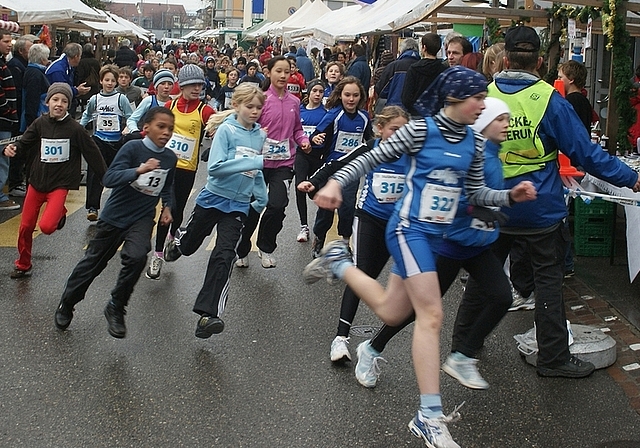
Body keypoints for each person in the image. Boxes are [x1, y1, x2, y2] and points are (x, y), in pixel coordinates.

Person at [303, 66, 537, 448]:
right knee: (431, 314)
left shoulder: (474, 145)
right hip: (408, 229)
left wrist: (510, 196)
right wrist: (334, 183)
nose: (483, 104)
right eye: (477, 98)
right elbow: (369, 159)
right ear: (455, 99)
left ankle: (338, 262)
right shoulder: (420, 130)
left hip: (435, 235)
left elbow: (476, 196)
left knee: (392, 312)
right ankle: (428, 416)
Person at [476, 25, 640, 378]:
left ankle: (465, 346)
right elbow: (585, 154)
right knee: (547, 278)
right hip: (539, 206)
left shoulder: (484, 95)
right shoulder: (549, 98)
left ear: (504, 59)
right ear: (538, 62)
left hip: (491, 205)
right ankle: (553, 357)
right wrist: (630, 177)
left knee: (483, 274)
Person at [351, 98, 512, 390]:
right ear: (484, 122)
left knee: (502, 296)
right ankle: (371, 348)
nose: (506, 125)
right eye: (500, 119)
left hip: (475, 245)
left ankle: (462, 355)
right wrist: (481, 209)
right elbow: (454, 196)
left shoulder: (491, 153)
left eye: (507, 119)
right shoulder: (470, 151)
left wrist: (509, 199)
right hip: (448, 243)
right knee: (415, 310)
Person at [54, 106, 177, 338]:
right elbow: (109, 178)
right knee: (93, 264)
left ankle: (116, 306)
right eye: (161, 127)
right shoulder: (132, 148)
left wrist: (168, 207)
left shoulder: (169, 157)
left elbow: (167, 184)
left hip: (141, 218)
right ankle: (67, 302)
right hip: (114, 217)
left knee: (138, 256)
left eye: (170, 128)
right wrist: (139, 170)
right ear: (146, 127)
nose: (166, 132)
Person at [299, 106, 409, 363]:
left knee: (408, 288)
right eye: (395, 129)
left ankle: (373, 347)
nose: (400, 135)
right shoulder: (370, 149)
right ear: (380, 129)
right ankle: (340, 339)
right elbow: (339, 164)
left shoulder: (414, 153)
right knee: (363, 275)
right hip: (370, 219)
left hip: (400, 225)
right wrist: (314, 183)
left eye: (405, 130)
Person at [163, 84, 267, 337]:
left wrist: (261, 194)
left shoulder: (260, 136)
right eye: (249, 106)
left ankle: (208, 315)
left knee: (224, 255)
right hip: (213, 198)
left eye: (258, 107)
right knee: (189, 246)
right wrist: (253, 162)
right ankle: (178, 243)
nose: (255, 112)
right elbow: (216, 168)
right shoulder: (226, 131)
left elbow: (256, 170)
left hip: (238, 205)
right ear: (236, 106)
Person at [3, 83, 107, 278]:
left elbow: (93, 153)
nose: (59, 104)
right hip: (37, 182)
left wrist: (106, 176)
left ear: (69, 105)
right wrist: (12, 149)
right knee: (25, 226)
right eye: (55, 100)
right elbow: (24, 143)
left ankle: (60, 212)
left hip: (59, 186)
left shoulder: (76, 129)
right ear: (48, 101)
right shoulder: (39, 124)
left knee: (47, 227)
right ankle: (23, 264)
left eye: (64, 101)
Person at [235, 56, 311, 268]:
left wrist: (303, 141)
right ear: (268, 72)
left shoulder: (294, 102)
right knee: (251, 209)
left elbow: (297, 129)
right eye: (279, 71)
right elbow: (246, 126)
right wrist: (259, 132)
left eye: (287, 71)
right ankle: (241, 250)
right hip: (258, 164)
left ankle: (266, 247)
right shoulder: (261, 100)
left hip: (284, 164)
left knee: (277, 206)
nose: (283, 75)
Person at [145, 64, 215, 280]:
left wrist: (215, 137)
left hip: (187, 169)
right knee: (168, 208)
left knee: (178, 210)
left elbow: (220, 128)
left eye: (199, 84)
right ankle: (156, 256)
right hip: (167, 167)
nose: (196, 88)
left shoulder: (205, 110)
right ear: (182, 85)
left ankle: (172, 238)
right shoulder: (170, 105)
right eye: (192, 84)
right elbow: (154, 128)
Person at [309, 76, 372, 258]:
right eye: (347, 95)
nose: (351, 99)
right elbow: (316, 135)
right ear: (340, 95)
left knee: (347, 207)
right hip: (331, 167)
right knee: (327, 208)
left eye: (355, 95)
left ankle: (345, 242)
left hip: (352, 169)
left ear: (361, 97)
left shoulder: (364, 117)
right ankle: (319, 237)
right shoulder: (334, 115)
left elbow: (369, 140)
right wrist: (315, 139)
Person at [80, 64, 134, 222]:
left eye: (112, 80)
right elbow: (86, 115)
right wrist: (78, 129)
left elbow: (131, 116)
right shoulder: (95, 99)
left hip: (116, 142)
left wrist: (128, 129)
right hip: (98, 141)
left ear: (116, 82)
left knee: (118, 175)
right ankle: (92, 207)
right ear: (101, 81)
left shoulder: (121, 99)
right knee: (95, 173)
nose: (110, 83)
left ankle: (118, 207)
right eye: (107, 80)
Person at [294, 79, 327, 243]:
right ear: (309, 92)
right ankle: (304, 226)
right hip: (301, 155)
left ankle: (321, 226)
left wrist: (319, 140)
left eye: (321, 92)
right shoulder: (299, 111)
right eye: (315, 91)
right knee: (300, 187)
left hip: (317, 157)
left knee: (315, 192)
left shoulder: (326, 113)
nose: (318, 94)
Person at [6, 34, 38, 198]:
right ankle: (15, 183)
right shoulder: (15, 66)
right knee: (15, 148)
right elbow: (17, 94)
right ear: (20, 50)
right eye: (29, 47)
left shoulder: (21, 65)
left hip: (17, 115)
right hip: (15, 116)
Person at [402, 33, 447, 116]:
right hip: (436, 115)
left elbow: (406, 98)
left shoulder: (414, 69)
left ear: (424, 47)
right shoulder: (444, 70)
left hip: (416, 115)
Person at [45, 43, 92, 118]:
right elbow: (61, 90)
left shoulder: (65, 66)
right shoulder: (58, 70)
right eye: (80, 56)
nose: (80, 59)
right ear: (76, 56)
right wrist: (77, 90)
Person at [0, 29, 19, 211]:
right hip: (2, 120)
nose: (9, 44)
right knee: (2, 157)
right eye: (6, 41)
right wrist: (7, 109)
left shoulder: (2, 62)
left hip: (5, 119)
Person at [375, 38, 421, 108]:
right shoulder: (422, 67)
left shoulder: (393, 66)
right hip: (417, 110)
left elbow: (380, 90)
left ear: (401, 50)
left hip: (395, 109)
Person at [126, 69, 175, 135]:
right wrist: (135, 131)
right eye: (162, 84)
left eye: (170, 84)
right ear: (156, 86)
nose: (166, 87)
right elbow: (132, 119)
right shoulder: (149, 100)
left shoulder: (175, 103)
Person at [21, 43, 51, 131]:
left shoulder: (32, 71)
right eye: (47, 58)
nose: (48, 61)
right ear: (42, 59)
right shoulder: (35, 74)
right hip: (37, 117)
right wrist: (31, 123)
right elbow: (32, 99)